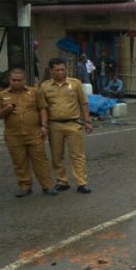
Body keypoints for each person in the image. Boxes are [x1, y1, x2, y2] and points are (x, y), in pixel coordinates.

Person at [0, 68, 58, 197]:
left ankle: (47, 186)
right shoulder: (1, 95)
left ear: (24, 80)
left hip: (34, 133)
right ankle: (25, 186)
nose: (16, 82)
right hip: (13, 135)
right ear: (9, 80)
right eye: (13, 80)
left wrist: (44, 126)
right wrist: (7, 109)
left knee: (41, 160)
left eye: (19, 80)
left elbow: (43, 109)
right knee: (19, 162)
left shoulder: (35, 92)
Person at [41, 57, 93, 194]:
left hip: (73, 124)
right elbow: (43, 108)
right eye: (57, 70)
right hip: (54, 126)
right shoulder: (45, 86)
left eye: (63, 69)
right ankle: (62, 181)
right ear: (51, 70)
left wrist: (87, 122)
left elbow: (84, 103)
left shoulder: (75, 84)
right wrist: (44, 126)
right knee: (57, 155)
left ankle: (82, 182)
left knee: (78, 155)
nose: (60, 72)